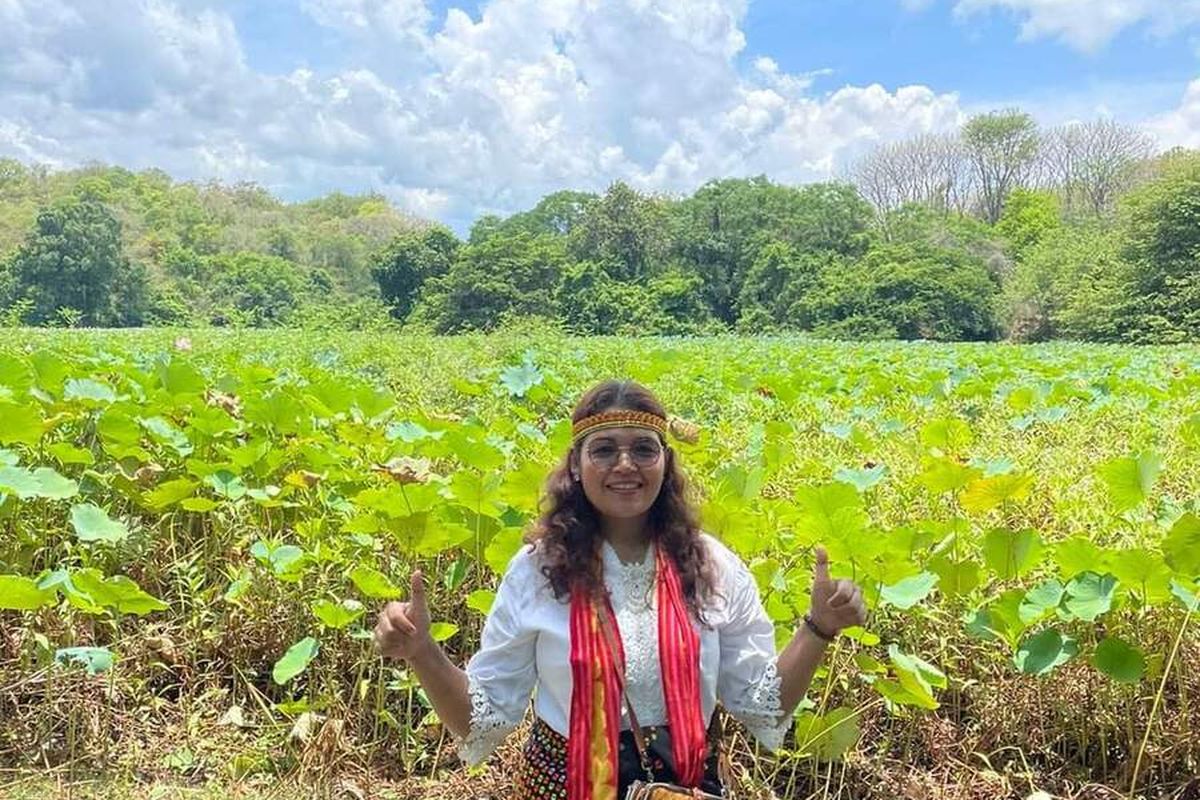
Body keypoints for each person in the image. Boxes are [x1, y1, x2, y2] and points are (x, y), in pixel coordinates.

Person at [373, 379, 867, 799]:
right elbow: (482, 720)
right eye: (605, 449)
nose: (625, 464)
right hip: (564, 785)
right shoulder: (537, 572)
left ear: (666, 462)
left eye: (643, 449)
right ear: (576, 464)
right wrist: (423, 652)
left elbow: (763, 705)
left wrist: (818, 629)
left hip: (684, 786)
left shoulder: (713, 566)